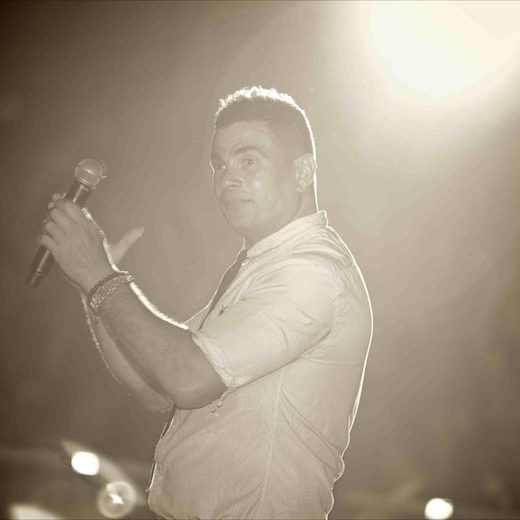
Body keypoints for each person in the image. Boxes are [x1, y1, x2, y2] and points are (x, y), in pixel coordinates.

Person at [39, 86, 373, 520]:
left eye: (248, 160)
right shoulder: (263, 266)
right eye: (219, 164)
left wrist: (99, 275)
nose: (226, 178)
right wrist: (92, 289)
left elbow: (187, 378)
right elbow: (154, 388)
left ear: (303, 171)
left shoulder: (311, 272)